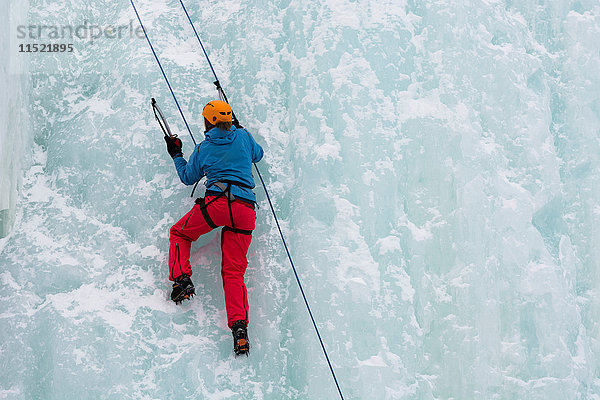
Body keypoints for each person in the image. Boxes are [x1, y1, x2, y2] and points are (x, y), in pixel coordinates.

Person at [163, 100, 263, 356]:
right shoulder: (242, 136)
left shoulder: (204, 148)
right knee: (234, 272)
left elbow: (187, 177)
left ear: (208, 122)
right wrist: (239, 131)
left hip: (217, 204)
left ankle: (182, 279)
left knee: (179, 233)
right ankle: (239, 329)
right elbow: (258, 154)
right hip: (244, 210)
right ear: (229, 121)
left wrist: (176, 154)